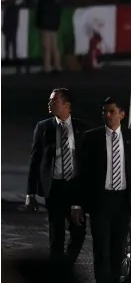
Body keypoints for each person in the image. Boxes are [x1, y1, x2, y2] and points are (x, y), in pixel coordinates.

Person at [72, 97, 131, 283]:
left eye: (111, 112)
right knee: (101, 248)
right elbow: (81, 173)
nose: (107, 116)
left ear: (122, 114)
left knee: (118, 247)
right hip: (101, 201)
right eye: (104, 112)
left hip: (124, 201)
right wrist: (77, 204)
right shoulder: (92, 138)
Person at [25, 88, 89, 264]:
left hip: (75, 187)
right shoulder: (44, 127)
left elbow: (87, 163)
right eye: (50, 101)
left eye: (54, 101)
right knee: (56, 234)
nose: (49, 103)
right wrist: (30, 193)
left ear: (66, 105)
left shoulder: (82, 129)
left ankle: (66, 265)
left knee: (79, 232)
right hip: (54, 187)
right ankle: (56, 275)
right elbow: (35, 160)